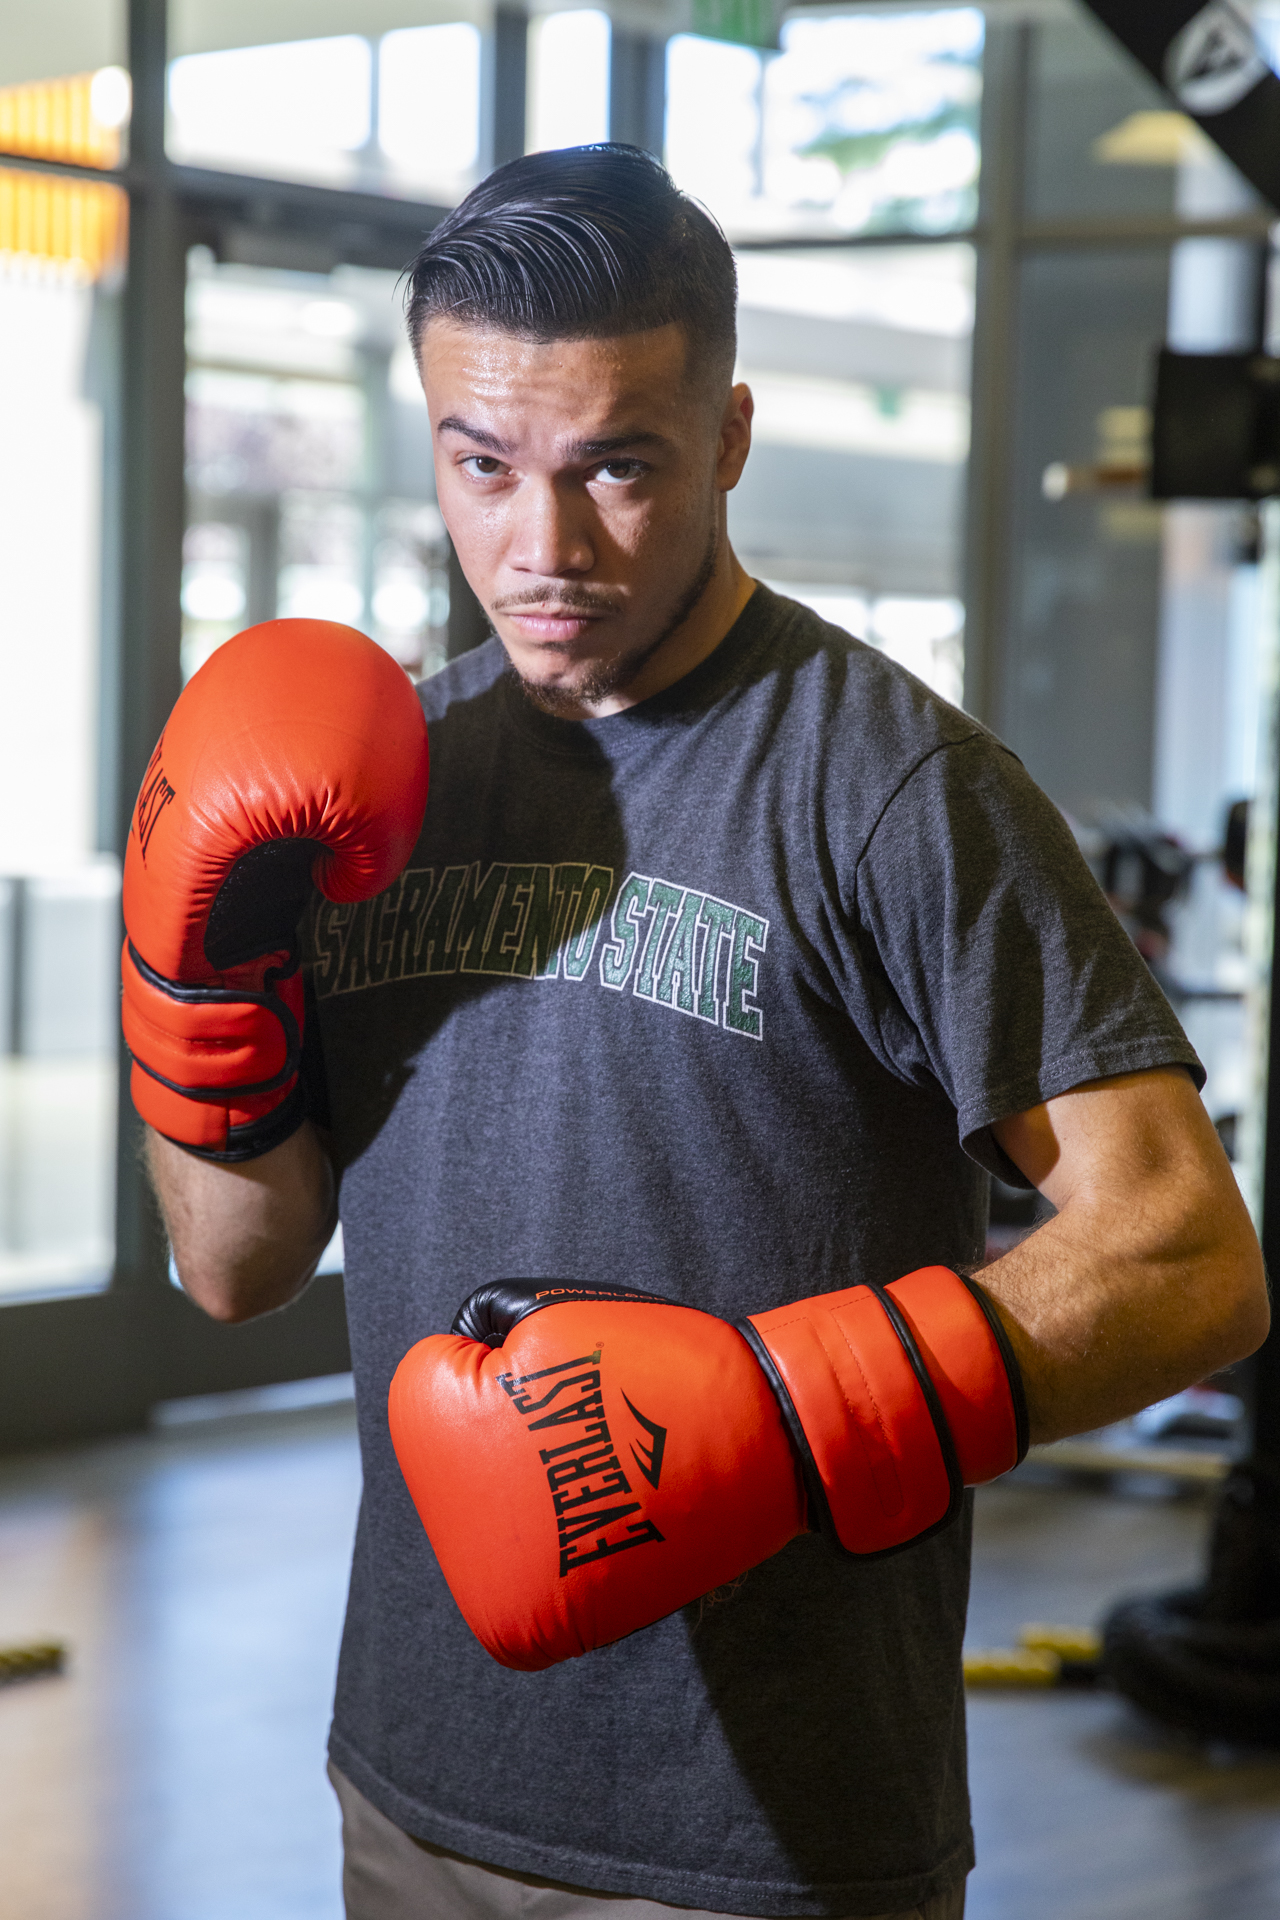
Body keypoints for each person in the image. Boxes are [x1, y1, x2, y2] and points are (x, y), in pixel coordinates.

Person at [141, 146, 1268, 1920]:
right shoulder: (380, 781)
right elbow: (233, 1268)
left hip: (762, 1840)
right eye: (482, 464)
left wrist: (783, 1418)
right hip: (407, 1786)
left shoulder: (892, 791)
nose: (545, 546)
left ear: (729, 435)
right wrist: (190, 979)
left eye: (619, 468)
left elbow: (1191, 1258)